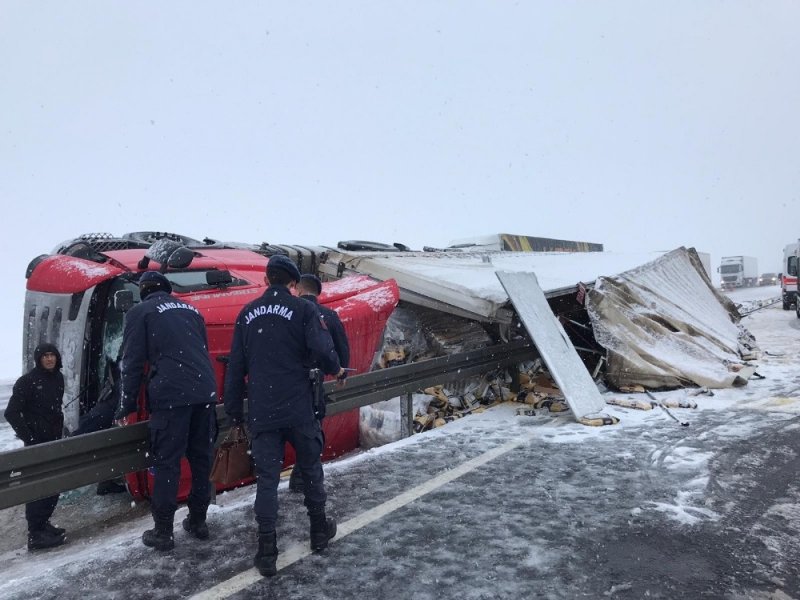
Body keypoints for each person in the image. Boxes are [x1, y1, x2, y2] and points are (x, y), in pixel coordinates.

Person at [224, 255, 346, 577]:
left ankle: (267, 552)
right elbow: (322, 348)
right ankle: (319, 532)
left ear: (266, 281)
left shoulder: (247, 314)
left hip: (263, 412)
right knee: (310, 467)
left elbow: (235, 368)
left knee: (267, 480)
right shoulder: (304, 309)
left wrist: (235, 411)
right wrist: (337, 369)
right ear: (293, 284)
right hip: (298, 408)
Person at [115, 271, 217, 552]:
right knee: (200, 459)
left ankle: (163, 531)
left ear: (144, 291)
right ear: (168, 289)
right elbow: (200, 351)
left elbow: (131, 363)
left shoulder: (141, 311)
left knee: (167, 463)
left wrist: (126, 405)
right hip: (205, 391)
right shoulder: (191, 310)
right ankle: (198, 521)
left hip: (173, 396)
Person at [288, 274, 350, 493]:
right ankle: (305, 480)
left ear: (299, 290)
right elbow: (341, 350)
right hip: (314, 386)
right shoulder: (329, 316)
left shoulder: (288, 314)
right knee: (312, 433)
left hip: (284, 385)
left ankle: (297, 479)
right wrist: (341, 373)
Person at [4, 343, 67, 550]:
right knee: (38, 485)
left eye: (52, 355)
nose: (49, 359)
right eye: (45, 356)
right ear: (38, 359)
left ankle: (43, 523)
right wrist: (29, 438)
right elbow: (11, 413)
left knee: (54, 484)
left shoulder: (58, 378)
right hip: (36, 444)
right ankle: (35, 534)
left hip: (55, 441)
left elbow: (56, 408)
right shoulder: (27, 382)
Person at [72, 358, 127, 495]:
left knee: (108, 448)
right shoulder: (123, 381)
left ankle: (105, 484)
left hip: (104, 415)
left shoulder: (119, 376)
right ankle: (104, 484)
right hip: (102, 416)